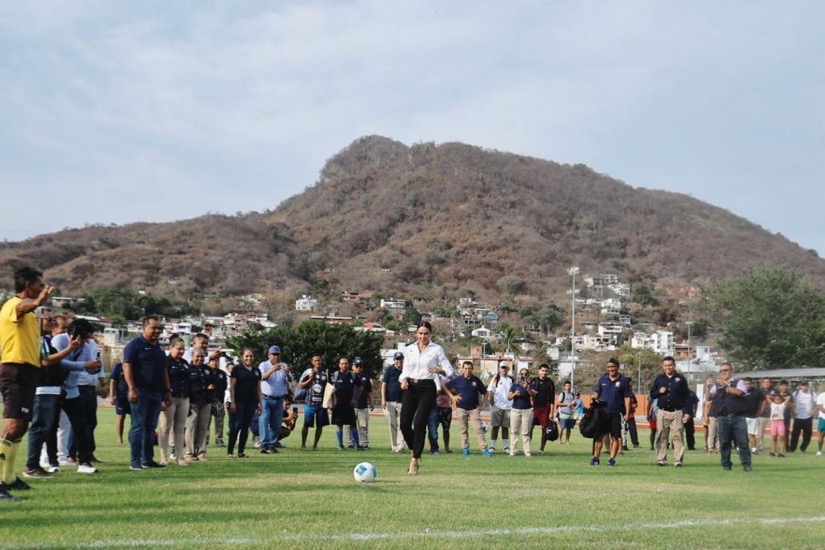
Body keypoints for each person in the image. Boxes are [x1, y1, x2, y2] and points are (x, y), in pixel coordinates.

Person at [0, 267, 53, 499]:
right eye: (40, 285)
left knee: (21, 427)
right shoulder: (13, 305)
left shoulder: (32, 315)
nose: (43, 289)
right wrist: (38, 301)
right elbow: (21, 308)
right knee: (12, 426)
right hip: (15, 370)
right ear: (28, 286)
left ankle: (9, 477)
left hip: (28, 372)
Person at [23, 307, 82, 479]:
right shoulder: (36, 338)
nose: (53, 322)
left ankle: (42, 463)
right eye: (49, 319)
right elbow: (46, 362)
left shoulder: (45, 339)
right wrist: (69, 350)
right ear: (36, 320)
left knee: (46, 428)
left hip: (52, 389)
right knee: (39, 428)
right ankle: (32, 466)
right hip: (42, 389)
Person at [399, 321, 454, 475]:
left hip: (427, 388)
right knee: (404, 424)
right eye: (420, 333)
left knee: (419, 423)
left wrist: (439, 370)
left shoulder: (437, 349)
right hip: (410, 387)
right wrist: (402, 380)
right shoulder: (409, 349)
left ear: (431, 334)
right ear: (416, 333)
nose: (423, 336)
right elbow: (405, 371)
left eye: (426, 333)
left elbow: (449, 370)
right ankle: (414, 450)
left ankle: (415, 460)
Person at [52, 319, 102, 474]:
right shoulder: (58, 341)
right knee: (51, 426)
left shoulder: (86, 346)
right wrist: (84, 365)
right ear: (73, 334)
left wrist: (94, 368)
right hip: (54, 388)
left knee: (80, 426)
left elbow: (86, 366)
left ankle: (84, 461)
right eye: (84, 337)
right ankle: (52, 461)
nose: (87, 341)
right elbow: (60, 363)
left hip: (72, 390)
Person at [122, 315, 172, 471]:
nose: (157, 331)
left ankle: (147, 459)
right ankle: (135, 461)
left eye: (159, 328)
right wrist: (132, 388)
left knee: (150, 427)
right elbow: (127, 366)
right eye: (154, 328)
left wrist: (167, 391)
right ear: (144, 328)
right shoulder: (135, 345)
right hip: (140, 392)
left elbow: (164, 371)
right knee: (138, 426)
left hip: (156, 393)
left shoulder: (159, 348)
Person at [708, 362, 752, 472]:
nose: (724, 372)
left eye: (726, 370)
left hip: (738, 417)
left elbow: (739, 393)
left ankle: (746, 464)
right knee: (724, 442)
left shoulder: (738, 382)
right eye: (721, 371)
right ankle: (726, 465)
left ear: (731, 371)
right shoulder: (717, 385)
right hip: (723, 417)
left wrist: (725, 386)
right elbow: (709, 397)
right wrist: (707, 386)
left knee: (742, 442)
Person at [649, 356, 691, 467]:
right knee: (661, 436)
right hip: (662, 412)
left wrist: (687, 412)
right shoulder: (659, 379)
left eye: (670, 365)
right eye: (666, 365)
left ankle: (678, 460)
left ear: (674, 366)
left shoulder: (680, 379)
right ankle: (661, 459)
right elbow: (652, 394)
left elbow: (687, 396)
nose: (668, 367)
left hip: (677, 412)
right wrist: (659, 391)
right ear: (663, 367)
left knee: (678, 436)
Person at [591, 357, 633, 467]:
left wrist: (627, 413)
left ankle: (612, 459)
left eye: (613, 367)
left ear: (618, 367)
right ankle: (596, 458)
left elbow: (627, 398)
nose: (611, 369)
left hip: (616, 413)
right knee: (599, 437)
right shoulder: (602, 379)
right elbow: (597, 394)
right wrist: (594, 399)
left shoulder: (624, 381)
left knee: (615, 437)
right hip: (602, 413)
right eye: (609, 367)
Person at [444, 361, 491, 457]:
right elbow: (444, 386)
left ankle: (484, 449)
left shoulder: (476, 380)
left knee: (478, 429)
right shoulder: (457, 380)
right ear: (462, 369)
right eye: (465, 368)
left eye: (469, 368)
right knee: (463, 429)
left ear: (472, 369)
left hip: (474, 409)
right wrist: (452, 396)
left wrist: (483, 405)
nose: (467, 370)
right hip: (461, 408)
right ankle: (465, 449)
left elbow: (485, 393)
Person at [158, 337, 190, 466]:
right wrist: (162, 398)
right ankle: (163, 457)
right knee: (165, 428)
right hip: (169, 398)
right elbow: (161, 381)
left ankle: (179, 457)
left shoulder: (185, 363)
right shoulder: (165, 362)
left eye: (183, 349)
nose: (181, 351)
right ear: (170, 348)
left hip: (184, 398)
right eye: (178, 348)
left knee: (180, 428)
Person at [227, 348, 262, 459]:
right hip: (239, 402)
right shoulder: (237, 369)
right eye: (246, 356)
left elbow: (258, 388)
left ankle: (241, 452)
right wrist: (232, 402)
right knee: (236, 427)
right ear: (242, 357)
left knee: (246, 427)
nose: (249, 358)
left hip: (251, 402)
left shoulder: (257, 371)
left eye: (251, 356)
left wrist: (260, 403)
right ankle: (230, 451)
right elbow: (232, 386)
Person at [258, 345, 291, 454]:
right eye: (273, 354)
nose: (276, 357)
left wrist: (287, 374)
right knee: (264, 420)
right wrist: (272, 370)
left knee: (276, 423)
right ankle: (264, 443)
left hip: (278, 398)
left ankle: (271, 444)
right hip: (265, 397)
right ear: (269, 355)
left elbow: (289, 381)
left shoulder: (283, 365)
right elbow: (262, 377)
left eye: (278, 354)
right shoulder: (264, 365)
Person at [185, 348, 213, 462]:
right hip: (192, 403)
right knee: (191, 428)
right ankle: (189, 453)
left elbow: (213, 382)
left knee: (203, 427)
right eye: (197, 356)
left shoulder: (208, 370)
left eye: (202, 356)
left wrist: (212, 387)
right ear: (192, 357)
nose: (200, 359)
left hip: (205, 402)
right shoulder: (188, 369)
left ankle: (201, 452)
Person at [331, 357, 362, 451]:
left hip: (349, 404)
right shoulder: (335, 375)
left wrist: (355, 398)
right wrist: (333, 402)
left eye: (346, 363)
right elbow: (330, 389)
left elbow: (361, 387)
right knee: (339, 425)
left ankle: (358, 445)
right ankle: (340, 445)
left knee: (353, 425)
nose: (344, 365)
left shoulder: (352, 375)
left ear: (348, 365)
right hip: (339, 405)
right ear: (339, 365)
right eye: (342, 363)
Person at [298, 354, 329, 450]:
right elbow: (301, 385)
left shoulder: (325, 374)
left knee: (320, 426)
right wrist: (310, 379)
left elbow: (328, 388)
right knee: (306, 424)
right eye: (315, 361)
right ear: (312, 362)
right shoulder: (308, 372)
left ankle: (315, 445)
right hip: (309, 403)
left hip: (321, 405)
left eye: (319, 360)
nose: (318, 362)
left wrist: (328, 402)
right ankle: (303, 444)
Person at [528, 364, 556, 453]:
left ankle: (541, 449)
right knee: (530, 428)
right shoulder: (534, 381)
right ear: (539, 371)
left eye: (546, 371)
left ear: (548, 372)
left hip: (545, 408)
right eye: (542, 370)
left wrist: (551, 412)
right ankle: (527, 447)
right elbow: (529, 394)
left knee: (544, 428)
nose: (544, 372)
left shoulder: (550, 382)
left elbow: (552, 399)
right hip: (534, 408)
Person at [486, 363, 513, 454]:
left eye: (505, 367)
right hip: (497, 406)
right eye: (502, 367)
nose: (504, 369)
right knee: (495, 427)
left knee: (505, 428)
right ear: (499, 369)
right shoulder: (496, 378)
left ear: (508, 369)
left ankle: (506, 447)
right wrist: (492, 404)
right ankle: (492, 446)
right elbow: (490, 391)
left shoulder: (511, 379)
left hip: (508, 407)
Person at [381, 352, 405, 453]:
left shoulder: (406, 370)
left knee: (402, 425)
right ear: (394, 360)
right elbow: (384, 384)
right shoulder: (389, 370)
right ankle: (394, 446)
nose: (399, 361)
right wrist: (383, 399)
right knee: (392, 424)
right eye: (397, 359)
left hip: (403, 401)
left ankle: (400, 446)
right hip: (389, 401)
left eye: (401, 359)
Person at [507, 368, 534, 457]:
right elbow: (509, 397)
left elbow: (534, 395)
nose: (524, 376)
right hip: (515, 410)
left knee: (526, 432)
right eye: (522, 374)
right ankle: (512, 451)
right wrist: (514, 394)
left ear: (528, 375)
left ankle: (527, 452)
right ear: (519, 375)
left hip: (527, 410)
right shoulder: (515, 385)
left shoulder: (531, 385)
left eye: (525, 374)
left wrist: (527, 388)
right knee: (514, 431)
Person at [788, 380, 817, 453]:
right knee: (795, 434)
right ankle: (792, 448)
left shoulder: (812, 393)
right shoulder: (796, 393)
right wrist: (792, 412)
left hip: (808, 417)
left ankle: (803, 448)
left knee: (808, 434)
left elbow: (817, 403)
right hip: (798, 416)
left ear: (808, 386)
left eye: (806, 385)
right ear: (800, 386)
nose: (804, 387)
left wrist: (813, 411)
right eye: (803, 385)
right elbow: (790, 403)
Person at [351, 358, 373, 450]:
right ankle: (350, 443)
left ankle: (364, 443)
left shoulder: (365, 377)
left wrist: (371, 402)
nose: (359, 368)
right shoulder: (349, 376)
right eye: (357, 366)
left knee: (363, 426)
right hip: (351, 405)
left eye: (360, 366)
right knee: (350, 425)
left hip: (363, 405)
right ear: (353, 367)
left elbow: (369, 391)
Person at [428, 374, 453, 454]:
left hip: (447, 408)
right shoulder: (433, 378)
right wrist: (446, 390)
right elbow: (432, 391)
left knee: (446, 429)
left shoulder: (449, 379)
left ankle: (447, 447)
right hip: (435, 407)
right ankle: (431, 446)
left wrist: (443, 390)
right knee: (433, 428)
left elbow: (454, 391)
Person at [207, 357, 228, 447]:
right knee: (206, 421)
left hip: (218, 400)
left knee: (219, 421)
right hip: (207, 400)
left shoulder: (222, 374)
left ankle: (219, 440)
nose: (215, 363)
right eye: (213, 361)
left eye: (216, 361)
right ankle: (205, 439)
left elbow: (224, 387)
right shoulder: (206, 372)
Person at [108, 362, 130, 445]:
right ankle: (120, 438)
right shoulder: (118, 366)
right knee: (121, 417)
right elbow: (113, 381)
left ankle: (131, 439)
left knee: (134, 418)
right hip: (121, 395)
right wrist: (111, 396)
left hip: (133, 395)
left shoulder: (135, 364)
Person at [554, 379, 575, 447]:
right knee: (562, 428)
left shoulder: (572, 394)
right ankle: (559, 440)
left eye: (569, 386)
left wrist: (573, 404)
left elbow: (573, 403)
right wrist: (566, 404)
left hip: (571, 414)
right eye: (566, 386)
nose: (568, 387)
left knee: (569, 428)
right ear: (564, 387)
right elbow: (558, 403)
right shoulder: (562, 394)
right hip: (563, 413)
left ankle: (567, 440)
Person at [768, 391, 787, 457]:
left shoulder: (783, 405)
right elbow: (767, 396)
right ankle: (773, 451)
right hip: (773, 422)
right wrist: (774, 397)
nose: (777, 401)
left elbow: (789, 397)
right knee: (774, 437)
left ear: (781, 400)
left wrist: (782, 397)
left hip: (780, 422)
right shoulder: (772, 404)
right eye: (776, 399)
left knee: (781, 437)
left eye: (779, 399)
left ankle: (782, 452)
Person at [815, 387, 825, 456]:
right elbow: (819, 406)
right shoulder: (821, 395)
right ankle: (819, 450)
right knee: (821, 434)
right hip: (823, 418)